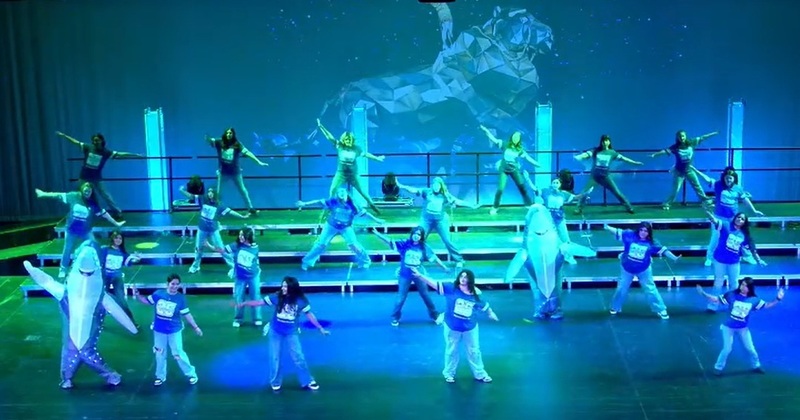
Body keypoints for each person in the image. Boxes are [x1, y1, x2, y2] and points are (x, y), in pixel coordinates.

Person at [22, 244, 137, 389]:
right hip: (71, 342)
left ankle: (100, 375)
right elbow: (46, 282)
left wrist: (131, 327)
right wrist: (33, 271)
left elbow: (115, 310)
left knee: (87, 356)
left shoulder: (99, 295)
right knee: (71, 358)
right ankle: (70, 378)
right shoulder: (66, 293)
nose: (86, 277)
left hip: (87, 341)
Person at [239, 276, 330, 391]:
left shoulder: (300, 301)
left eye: (286, 286)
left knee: (298, 357)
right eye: (283, 285)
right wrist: (245, 303)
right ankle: (275, 381)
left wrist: (320, 328)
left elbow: (309, 314)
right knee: (275, 357)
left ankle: (307, 380)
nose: (283, 288)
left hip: (291, 332)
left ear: (292, 287)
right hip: (275, 331)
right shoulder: (277, 297)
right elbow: (259, 302)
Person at [410, 268, 499, 383]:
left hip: (469, 328)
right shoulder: (451, 288)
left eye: (466, 277)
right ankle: (449, 373)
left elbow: (485, 306)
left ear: (470, 280)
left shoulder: (475, 294)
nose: (463, 279)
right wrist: (420, 275)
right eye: (461, 276)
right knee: (451, 351)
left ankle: (480, 374)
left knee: (474, 351)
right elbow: (434, 284)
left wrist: (491, 313)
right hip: (452, 327)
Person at [696, 278, 785, 375]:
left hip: (743, 329)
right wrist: (703, 294)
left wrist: (778, 299)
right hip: (728, 327)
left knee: (751, 349)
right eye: (742, 284)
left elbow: (767, 305)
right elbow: (716, 299)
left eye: (745, 285)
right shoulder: (732, 295)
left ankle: (756, 365)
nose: (743, 287)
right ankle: (718, 367)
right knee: (727, 349)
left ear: (750, 288)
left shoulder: (754, 300)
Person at [35, 183, 126, 279]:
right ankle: (63, 269)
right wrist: (43, 194)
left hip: (85, 231)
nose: (87, 193)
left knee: (95, 245)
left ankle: (98, 267)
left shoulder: (92, 203)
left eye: (89, 191)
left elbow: (104, 214)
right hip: (71, 230)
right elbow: (58, 195)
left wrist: (116, 223)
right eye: (86, 190)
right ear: (82, 189)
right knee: (67, 249)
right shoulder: (74, 196)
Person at [133, 274, 202, 386]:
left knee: (178, 354)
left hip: (174, 330)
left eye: (177, 284)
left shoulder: (181, 298)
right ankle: (160, 376)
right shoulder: (158, 294)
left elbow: (187, 314)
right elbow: (146, 301)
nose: (174, 286)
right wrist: (137, 295)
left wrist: (195, 327)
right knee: (159, 353)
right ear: (167, 284)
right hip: (159, 330)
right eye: (172, 284)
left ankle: (191, 374)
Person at [372, 227, 450, 327]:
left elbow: (434, 259)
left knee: (425, 295)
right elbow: (389, 241)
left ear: (421, 236)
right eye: (415, 233)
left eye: (418, 234)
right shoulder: (405, 244)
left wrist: (444, 267)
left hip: (418, 274)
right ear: (412, 234)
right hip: (405, 275)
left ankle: (435, 315)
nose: (416, 236)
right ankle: (395, 317)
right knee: (401, 297)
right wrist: (378, 234)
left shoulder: (424, 247)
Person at [395, 176, 480, 268]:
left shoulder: (445, 195)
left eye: (438, 185)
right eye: (434, 184)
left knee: (447, 240)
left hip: (440, 221)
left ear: (441, 186)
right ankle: (416, 258)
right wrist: (401, 186)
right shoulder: (427, 191)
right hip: (426, 220)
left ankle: (458, 259)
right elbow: (413, 190)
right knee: (418, 238)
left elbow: (458, 201)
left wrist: (472, 205)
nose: (436, 187)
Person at [56, 131, 142, 219]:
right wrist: (64, 136)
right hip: (84, 177)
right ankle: (88, 213)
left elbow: (120, 154)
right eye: (94, 140)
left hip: (96, 178)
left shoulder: (105, 152)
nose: (95, 142)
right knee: (84, 195)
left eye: (97, 140)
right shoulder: (88, 147)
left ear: (101, 141)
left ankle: (117, 211)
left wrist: (135, 155)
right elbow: (75, 142)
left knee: (105, 195)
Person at [603, 222, 680, 320]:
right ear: (638, 230)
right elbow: (618, 231)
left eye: (646, 231)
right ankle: (615, 307)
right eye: (642, 230)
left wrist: (674, 258)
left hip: (644, 269)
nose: (643, 233)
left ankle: (661, 309)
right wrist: (607, 227)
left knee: (650, 289)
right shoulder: (629, 235)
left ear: (649, 233)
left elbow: (664, 251)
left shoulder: (652, 243)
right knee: (621, 288)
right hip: (627, 268)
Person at [297, 187, 385, 270]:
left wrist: (377, 220)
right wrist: (304, 204)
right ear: (337, 195)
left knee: (353, 244)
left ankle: (365, 261)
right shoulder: (333, 202)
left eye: (343, 192)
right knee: (321, 244)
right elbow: (318, 202)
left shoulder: (353, 205)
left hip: (346, 227)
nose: (342, 193)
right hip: (331, 226)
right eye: (339, 192)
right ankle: (306, 262)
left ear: (347, 193)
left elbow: (365, 214)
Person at [703, 209, 767, 312]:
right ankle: (713, 305)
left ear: (744, 222)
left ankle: (732, 305)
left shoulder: (744, 235)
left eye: (742, 219)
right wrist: (708, 213)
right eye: (738, 217)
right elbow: (715, 221)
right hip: (720, 260)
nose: (740, 219)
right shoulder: (725, 225)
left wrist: (759, 260)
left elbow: (752, 248)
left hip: (734, 262)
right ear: (735, 218)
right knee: (718, 282)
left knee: (734, 284)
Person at [316, 118, 385, 214]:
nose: (348, 140)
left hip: (353, 175)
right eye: (346, 139)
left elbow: (366, 154)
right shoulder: (339, 146)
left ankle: (374, 207)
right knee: (332, 189)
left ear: (352, 140)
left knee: (363, 192)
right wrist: (321, 126)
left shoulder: (356, 149)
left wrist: (377, 158)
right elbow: (329, 137)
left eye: (349, 139)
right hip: (341, 174)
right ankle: (331, 207)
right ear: (343, 139)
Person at [704, 167, 764, 267]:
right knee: (715, 237)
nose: (728, 180)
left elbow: (745, 200)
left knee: (740, 237)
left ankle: (747, 255)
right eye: (727, 178)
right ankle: (709, 258)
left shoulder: (738, 188)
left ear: (734, 179)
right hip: (720, 217)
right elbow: (706, 179)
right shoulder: (718, 185)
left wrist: (754, 210)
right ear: (724, 178)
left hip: (733, 218)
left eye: (730, 178)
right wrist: (694, 170)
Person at [523, 170, 586, 265]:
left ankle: (569, 256)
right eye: (554, 182)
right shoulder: (545, 191)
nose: (555, 184)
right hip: (547, 218)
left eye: (557, 182)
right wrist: (527, 179)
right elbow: (534, 189)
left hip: (559, 218)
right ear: (551, 184)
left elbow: (577, 197)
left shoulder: (564, 194)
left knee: (565, 238)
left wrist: (586, 193)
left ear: (560, 184)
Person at [205, 127, 268, 215]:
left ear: (233, 134)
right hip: (223, 172)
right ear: (225, 134)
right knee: (219, 191)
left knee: (243, 190)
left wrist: (259, 162)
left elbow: (248, 153)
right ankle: (216, 209)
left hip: (235, 172)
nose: (229, 134)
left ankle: (250, 208)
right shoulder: (219, 142)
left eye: (230, 133)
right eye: (227, 133)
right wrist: (207, 137)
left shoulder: (237, 144)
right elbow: (210, 140)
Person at [573, 134, 643, 214]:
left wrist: (634, 163)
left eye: (607, 140)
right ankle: (579, 208)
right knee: (585, 191)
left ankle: (628, 207)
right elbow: (586, 155)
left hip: (605, 176)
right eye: (603, 141)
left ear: (609, 142)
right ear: (601, 142)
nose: (605, 142)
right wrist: (578, 157)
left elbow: (624, 159)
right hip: (595, 176)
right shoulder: (596, 151)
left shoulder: (612, 153)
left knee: (617, 192)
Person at [649, 130, 718, 210]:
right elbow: (664, 151)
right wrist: (654, 154)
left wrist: (713, 134)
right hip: (679, 172)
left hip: (689, 170)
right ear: (677, 138)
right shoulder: (675, 147)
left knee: (697, 186)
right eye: (680, 136)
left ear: (685, 136)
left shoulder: (692, 142)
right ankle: (666, 203)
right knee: (676, 189)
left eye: (683, 136)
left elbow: (703, 137)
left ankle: (705, 201)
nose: (682, 138)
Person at [479, 125, 540, 214]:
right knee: (500, 189)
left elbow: (528, 158)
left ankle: (529, 205)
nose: (516, 138)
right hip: (503, 169)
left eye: (518, 137)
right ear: (512, 137)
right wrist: (486, 130)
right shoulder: (505, 144)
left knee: (522, 186)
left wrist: (537, 164)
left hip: (514, 169)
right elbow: (493, 138)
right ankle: (495, 207)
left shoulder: (520, 149)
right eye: (515, 136)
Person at [188, 187, 249, 274]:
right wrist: (182, 190)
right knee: (199, 248)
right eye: (208, 192)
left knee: (221, 249)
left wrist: (242, 216)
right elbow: (192, 196)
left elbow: (230, 212)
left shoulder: (219, 205)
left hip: (213, 230)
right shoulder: (203, 200)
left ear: (215, 194)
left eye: (211, 192)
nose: (209, 193)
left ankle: (234, 266)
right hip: (202, 229)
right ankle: (195, 266)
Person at [213, 227, 263, 328]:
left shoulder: (255, 247)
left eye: (242, 235)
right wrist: (209, 245)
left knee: (255, 297)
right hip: (240, 277)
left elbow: (255, 261)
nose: (240, 237)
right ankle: (238, 319)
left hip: (253, 276)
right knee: (239, 298)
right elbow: (223, 250)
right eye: (239, 234)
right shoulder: (236, 245)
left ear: (247, 236)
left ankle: (257, 318)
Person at [97, 230, 142, 328]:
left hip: (116, 277)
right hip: (105, 276)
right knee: (102, 300)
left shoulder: (123, 253)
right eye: (116, 238)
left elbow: (128, 263)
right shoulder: (105, 250)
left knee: (121, 300)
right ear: (112, 238)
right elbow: (100, 262)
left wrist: (135, 259)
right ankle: (98, 321)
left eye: (120, 238)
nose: (118, 240)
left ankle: (132, 322)